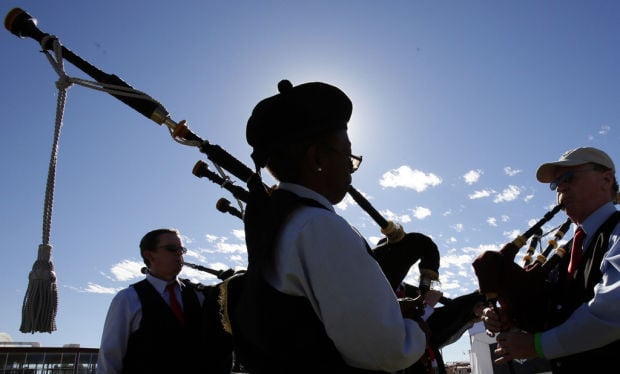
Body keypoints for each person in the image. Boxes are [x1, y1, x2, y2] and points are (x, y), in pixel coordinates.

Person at [230, 79, 428, 373]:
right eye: (347, 154)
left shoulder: (279, 223)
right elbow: (388, 352)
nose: (351, 165)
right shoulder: (320, 228)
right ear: (317, 158)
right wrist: (419, 327)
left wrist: (384, 313)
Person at [483, 147, 620, 372]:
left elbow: (612, 312)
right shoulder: (566, 252)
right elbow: (552, 314)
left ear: (606, 179)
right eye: (556, 185)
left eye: (569, 178)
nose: (561, 188)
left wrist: (537, 345)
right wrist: (510, 317)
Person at [96, 228, 233, 373]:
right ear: (149, 255)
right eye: (172, 249)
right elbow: (111, 356)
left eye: (181, 249)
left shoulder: (199, 296)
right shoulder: (128, 299)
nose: (179, 253)